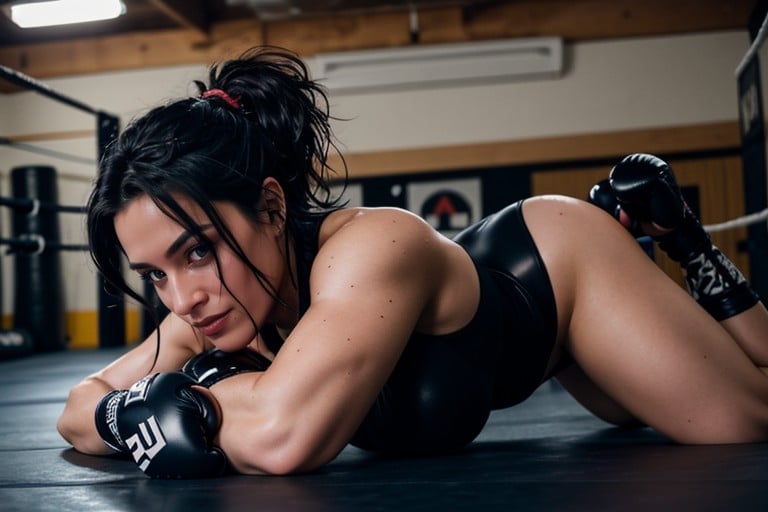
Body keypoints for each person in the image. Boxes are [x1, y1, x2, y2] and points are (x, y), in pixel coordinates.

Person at [57, 46, 768, 479]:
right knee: (626, 414)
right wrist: (131, 415)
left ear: (272, 207)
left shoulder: (370, 249)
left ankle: (679, 236)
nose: (182, 298)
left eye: (198, 252)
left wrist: (196, 406)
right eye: (155, 274)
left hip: (555, 272)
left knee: (745, 417)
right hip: (520, 358)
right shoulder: (210, 314)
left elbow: (282, 437)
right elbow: (77, 410)